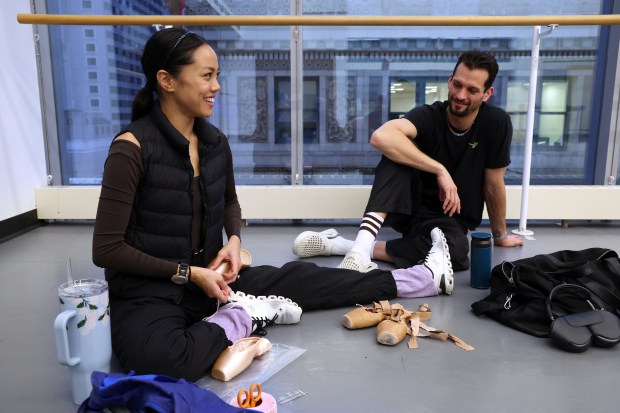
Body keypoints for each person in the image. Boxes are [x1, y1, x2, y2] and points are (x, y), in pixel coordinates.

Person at [92, 27, 454, 383]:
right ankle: (245, 314)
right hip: (150, 291)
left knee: (308, 281)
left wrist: (233, 241)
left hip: (210, 280)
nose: (216, 86)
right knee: (163, 361)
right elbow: (107, 250)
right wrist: (190, 274)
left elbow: (230, 203)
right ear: (166, 81)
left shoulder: (213, 142)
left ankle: (420, 277)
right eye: (206, 76)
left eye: (217, 75)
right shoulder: (131, 149)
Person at [293, 50, 524, 278]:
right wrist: (439, 169)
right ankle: (361, 250)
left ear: (487, 93)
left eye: (472, 90)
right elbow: (380, 137)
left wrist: (500, 235)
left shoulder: (496, 123)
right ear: (450, 80)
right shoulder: (430, 115)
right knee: (395, 153)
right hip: (408, 208)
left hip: (448, 217)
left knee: (456, 255)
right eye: (457, 85)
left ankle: (344, 246)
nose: (461, 95)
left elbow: (494, 184)